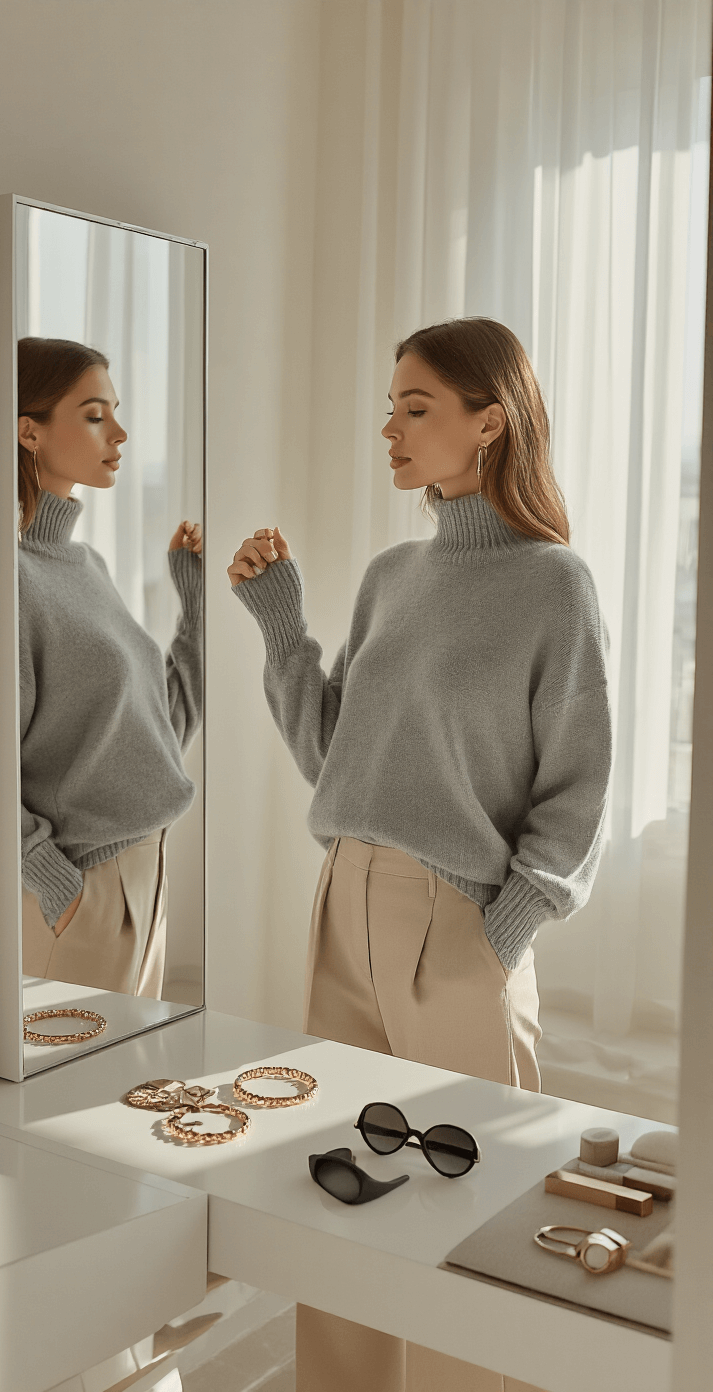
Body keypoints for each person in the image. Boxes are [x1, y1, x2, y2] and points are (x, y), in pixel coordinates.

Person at [228, 317, 612, 1392]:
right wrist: (280, 625)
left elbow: (577, 791)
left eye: (415, 407)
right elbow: (330, 754)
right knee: (339, 1189)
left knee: (470, 1211)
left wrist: (497, 938)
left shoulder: (552, 585)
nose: (387, 429)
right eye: (387, 406)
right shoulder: (393, 574)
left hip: (456, 921)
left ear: (487, 422)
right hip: (340, 899)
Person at [18, 336, 203, 999]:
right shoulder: (7, 576)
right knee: (62, 1099)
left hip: (144, 878)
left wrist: (195, 602)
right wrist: (54, 881)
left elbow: (163, 731)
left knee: (118, 1094)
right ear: (28, 431)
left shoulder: (86, 566)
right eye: (96, 414)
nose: (119, 432)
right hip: (79, 894)